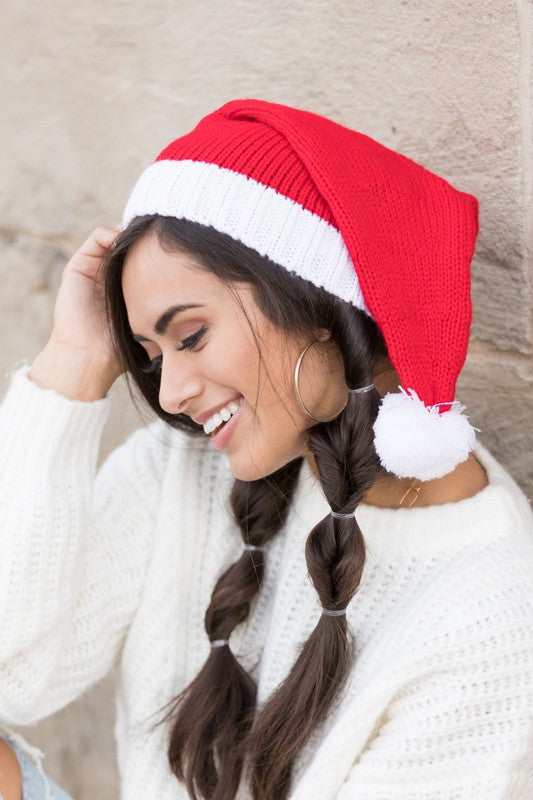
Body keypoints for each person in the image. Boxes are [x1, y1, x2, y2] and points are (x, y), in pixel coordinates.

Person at [0, 98, 532, 800]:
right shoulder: (184, 466)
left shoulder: (487, 613)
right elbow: (13, 671)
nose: (170, 394)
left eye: (189, 336)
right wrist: (69, 366)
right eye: (151, 355)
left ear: (314, 303)